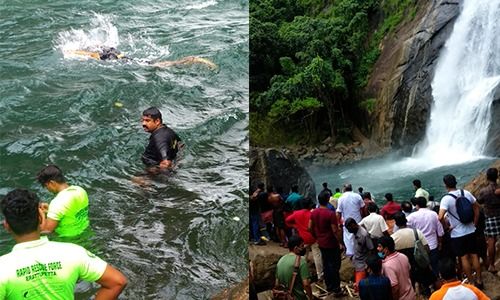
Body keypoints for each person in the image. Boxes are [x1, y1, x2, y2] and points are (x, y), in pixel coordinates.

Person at [0, 189, 127, 299]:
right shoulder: (73, 252)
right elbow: (117, 282)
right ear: (40, 218)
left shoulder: (3, 267)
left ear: (7, 226)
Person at [438, 174, 483, 288]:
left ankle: (471, 283)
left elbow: (440, 217)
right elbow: (477, 207)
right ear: (455, 182)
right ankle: (479, 280)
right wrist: (475, 222)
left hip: (457, 234)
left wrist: (447, 227)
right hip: (471, 230)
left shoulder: (446, 199)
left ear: (445, 185)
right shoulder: (466, 193)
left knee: (464, 257)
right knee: (474, 255)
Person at [36, 165, 89, 237]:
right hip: (85, 231)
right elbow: (70, 211)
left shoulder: (57, 203)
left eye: (46, 186)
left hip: (69, 239)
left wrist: (41, 213)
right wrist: (50, 211)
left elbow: (46, 230)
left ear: (52, 183)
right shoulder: (80, 190)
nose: (47, 189)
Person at [309, 191, 344, 297]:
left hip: (321, 243)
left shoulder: (314, 212)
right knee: (335, 265)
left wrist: (316, 236)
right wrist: (341, 242)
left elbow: (309, 227)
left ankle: (329, 286)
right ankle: (336, 289)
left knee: (326, 264)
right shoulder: (330, 213)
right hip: (331, 243)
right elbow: (335, 230)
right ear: (328, 200)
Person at [391, 212, 434, 296]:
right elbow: (427, 248)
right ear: (406, 220)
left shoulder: (393, 237)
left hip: (404, 266)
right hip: (419, 264)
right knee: (426, 285)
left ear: (396, 223)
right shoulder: (416, 232)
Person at [64, 47, 217, 69]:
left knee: (170, 64)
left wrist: (72, 52)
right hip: (134, 60)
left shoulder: (107, 57)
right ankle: (197, 59)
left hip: (139, 63)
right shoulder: (113, 55)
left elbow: (91, 54)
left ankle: (196, 59)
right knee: (171, 64)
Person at [285, 198, 323, 282]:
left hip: (302, 239)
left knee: (302, 257)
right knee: (317, 256)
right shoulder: (312, 214)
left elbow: (287, 220)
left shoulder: (296, 213)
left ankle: (301, 275)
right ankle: (320, 275)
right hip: (313, 238)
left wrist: (295, 226)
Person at [407, 196, 444, 276]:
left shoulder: (412, 217)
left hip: (420, 247)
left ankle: (428, 285)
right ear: (426, 204)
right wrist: (440, 243)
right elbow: (440, 232)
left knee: (422, 267)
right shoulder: (433, 214)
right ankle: (436, 281)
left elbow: (407, 229)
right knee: (435, 266)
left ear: (417, 205)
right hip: (433, 245)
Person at [141, 107, 183, 172]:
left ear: (157, 121)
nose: (143, 124)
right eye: (142, 120)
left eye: (147, 120)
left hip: (154, 171)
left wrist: (152, 174)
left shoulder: (159, 138)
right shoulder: (168, 131)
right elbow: (181, 145)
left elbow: (166, 162)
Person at [275, 235, 313, 300]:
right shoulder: (301, 261)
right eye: (302, 246)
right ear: (295, 248)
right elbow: (306, 284)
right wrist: (310, 297)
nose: (304, 248)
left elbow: (277, 282)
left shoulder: (281, 260)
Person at [377, 236, 416, 300]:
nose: (377, 248)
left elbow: (394, 287)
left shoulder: (387, 266)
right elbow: (409, 271)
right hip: (411, 295)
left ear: (386, 249)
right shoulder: (403, 256)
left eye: (379, 246)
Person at [477, 167, 500, 274]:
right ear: (497, 177)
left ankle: (491, 265)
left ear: (487, 177)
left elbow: (479, 201)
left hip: (490, 217)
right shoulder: (498, 188)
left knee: (491, 241)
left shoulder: (484, 191)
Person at [345, 218, 374, 291]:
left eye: (349, 229)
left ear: (353, 225)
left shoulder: (363, 234)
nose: (349, 231)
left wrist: (368, 264)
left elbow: (371, 249)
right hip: (357, 260)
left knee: (359, 287)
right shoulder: (355, 232)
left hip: (363, 263)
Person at [336, 183, 365, 257]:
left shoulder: (341, 198)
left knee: (349, 237)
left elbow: (338, 212)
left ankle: (351, 253)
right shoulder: (357, 196)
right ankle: (362, 250)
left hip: (347, 222)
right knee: (360, 234)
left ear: (344, 189)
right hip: (358, 220)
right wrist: (363, 217)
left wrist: (338, 223)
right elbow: (362, 208)